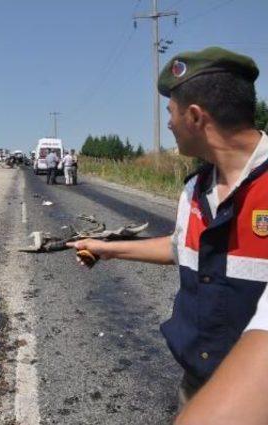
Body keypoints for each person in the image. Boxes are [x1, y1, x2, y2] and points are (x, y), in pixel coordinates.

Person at [67, 47, 268, 424]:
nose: (169, 125)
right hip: (197, 383)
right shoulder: (195, 188)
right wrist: (107, 249)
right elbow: (180, 247)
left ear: (194, 116)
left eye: (170, 113)